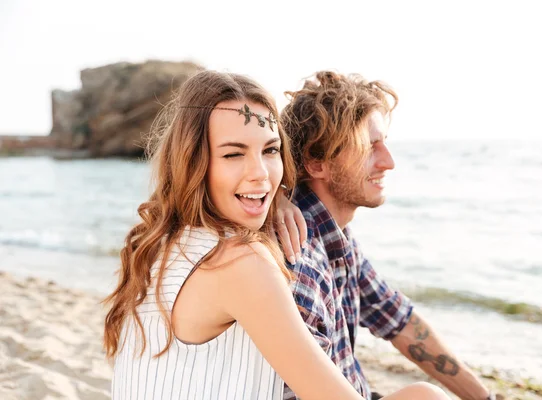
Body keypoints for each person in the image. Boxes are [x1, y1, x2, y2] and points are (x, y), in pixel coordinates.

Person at [103, 70, 449, 400]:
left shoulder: (161, 245)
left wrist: (279, 198)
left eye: (270, 151)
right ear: (194, 162)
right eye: (233, 154)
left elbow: (390, 311)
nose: (260, 174)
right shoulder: (241, 261)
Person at [278, 71, 496, 400]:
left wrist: (486, 398)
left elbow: (397, 318)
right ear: (316, 162)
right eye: (369, 147)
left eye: (385, 144)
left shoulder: (335, 236)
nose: (389, 162)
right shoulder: (300, 257)